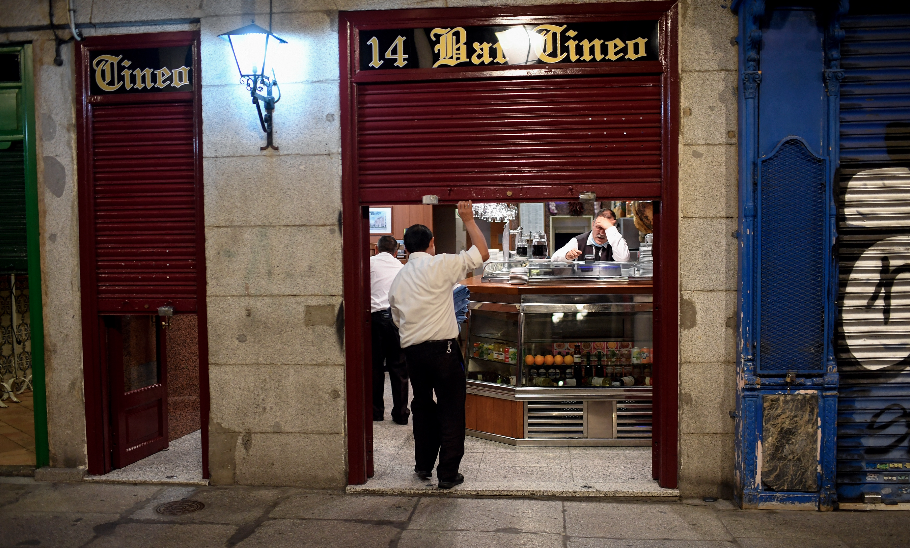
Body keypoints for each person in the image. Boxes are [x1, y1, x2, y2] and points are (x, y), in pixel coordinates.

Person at [388, 201, 490, 490]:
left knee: (421, 406)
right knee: (451, 408)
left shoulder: (399, 278)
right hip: (444, 351)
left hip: (414, 353)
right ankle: (447, 473)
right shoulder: (442, 264)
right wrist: (467, 219)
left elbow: (396, 319)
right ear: (431, 244)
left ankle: (423, 466)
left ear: (405, 248)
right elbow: (482, 253)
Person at [370, 236, 410, 424]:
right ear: (396, 252)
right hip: (395, 320)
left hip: (374, 319)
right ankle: (401, 414)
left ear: (376, 250)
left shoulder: (369, 263)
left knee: (375, 367)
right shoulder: (402, 268)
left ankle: (376, 412)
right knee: (399, 368)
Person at [551, 208, 631, 262]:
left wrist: (610, 228)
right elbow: (554, 258)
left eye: (606, 229)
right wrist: (567, 256)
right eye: (599, 227)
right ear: (593, 224)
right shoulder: (579, 241)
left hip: (610, 285)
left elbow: (623, 259)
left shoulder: (617, 241)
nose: (602, 233)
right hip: (584, 285)